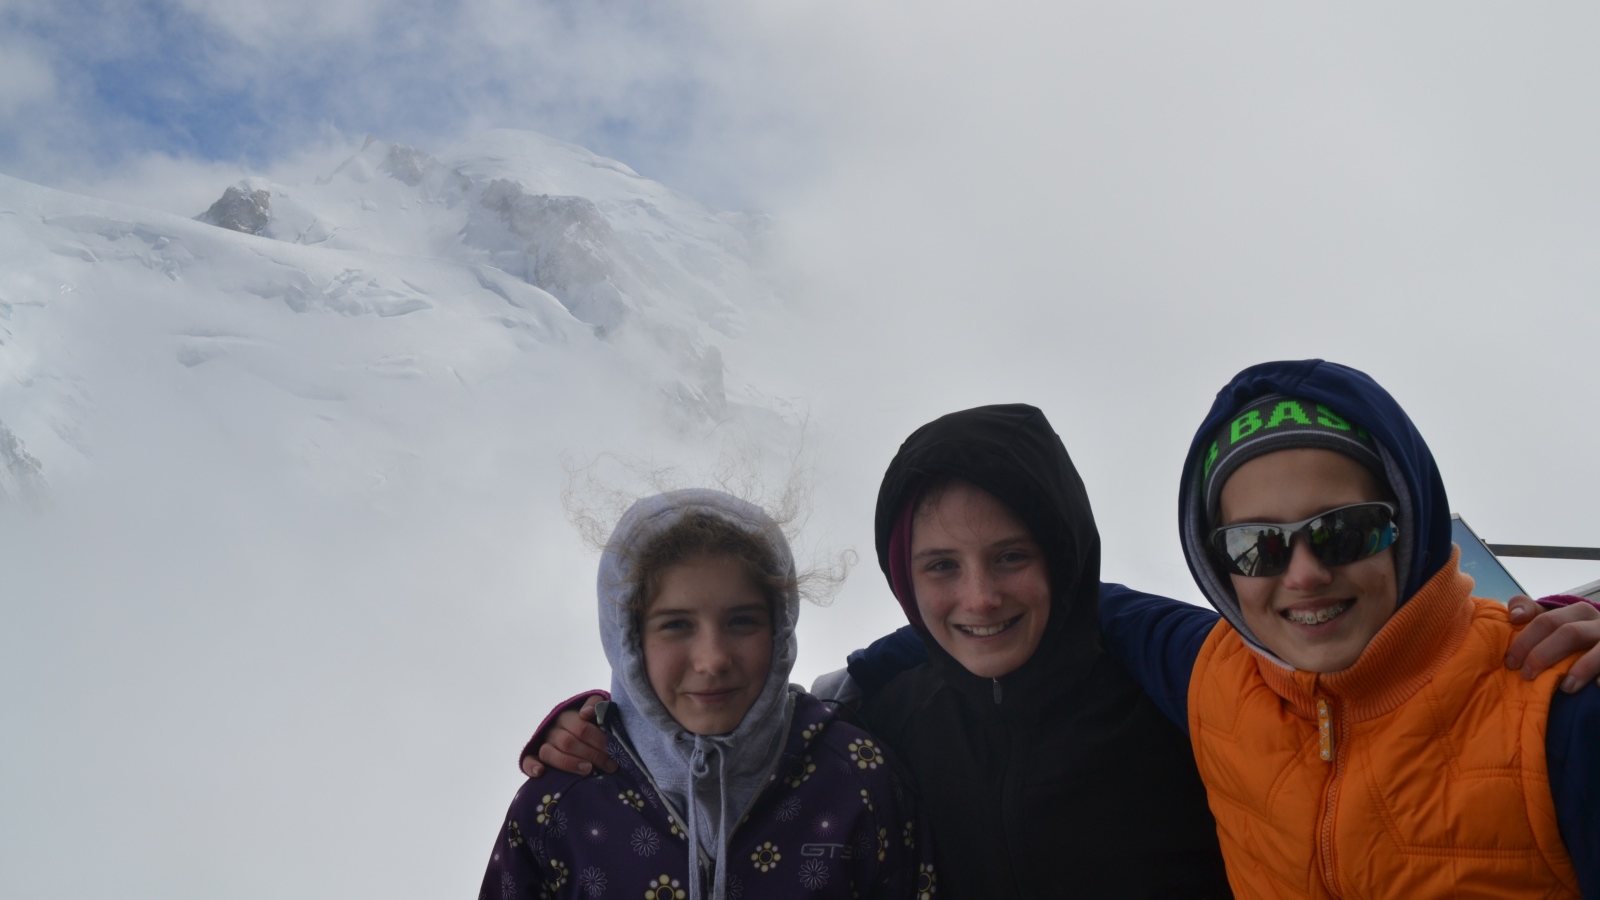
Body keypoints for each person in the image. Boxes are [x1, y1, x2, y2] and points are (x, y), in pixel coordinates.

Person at [524, 399, 1600, 895]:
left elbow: (1354, 669)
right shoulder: (876, 712)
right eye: (940, 567)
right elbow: (741, 723)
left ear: (1068, 553)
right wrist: (608, 726)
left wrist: (1533, 622)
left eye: (1013, 556)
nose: (978, 598)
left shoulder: (1174, 677)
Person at [1099, 359, 1600, 897]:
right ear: (1216, 563)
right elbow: (1078, 594)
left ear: (1407, 527)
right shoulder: (1213, 674)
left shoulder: (1558, 706)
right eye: (1256, 545)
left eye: (1344, 530)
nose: (1304, 575)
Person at [479, 489, 931, 900]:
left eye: (742, 621)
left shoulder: (857, 779)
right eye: (676, 625)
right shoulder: (562, 807)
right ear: (629, 642)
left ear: (779, 630)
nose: (712, 660)